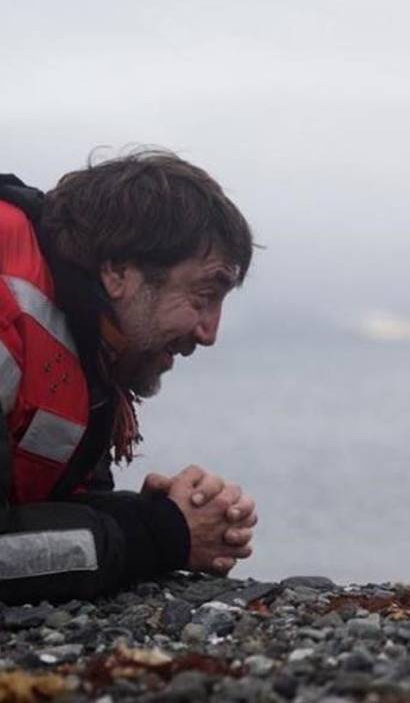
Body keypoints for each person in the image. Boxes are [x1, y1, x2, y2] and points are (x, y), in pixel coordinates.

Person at [0, 149, 258, 602]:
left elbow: (32, 512)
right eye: (203, 295)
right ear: (119, 270)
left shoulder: (86, 343)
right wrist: (160, 533)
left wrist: (152, 514)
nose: (209, 332)